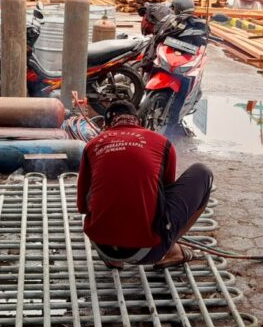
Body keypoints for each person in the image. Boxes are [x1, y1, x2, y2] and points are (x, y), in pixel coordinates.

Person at [77, 100, 213, 268]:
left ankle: (114, 260)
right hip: (149, 251)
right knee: (203, 173)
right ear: (138, 121)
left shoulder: (93, 145)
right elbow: (164, 196)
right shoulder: (162, 143)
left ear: (106, 125)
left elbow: (82, 206)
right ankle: (170, 250)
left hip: (103, 246)